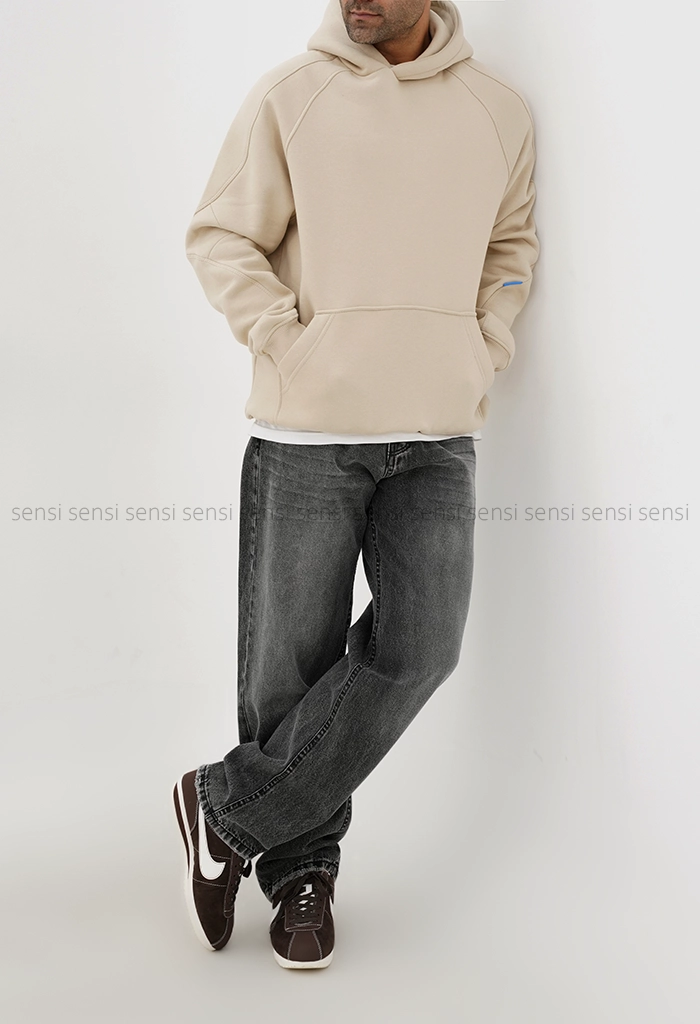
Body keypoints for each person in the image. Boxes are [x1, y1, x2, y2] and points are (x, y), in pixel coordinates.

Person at [173, 0, 539, 970]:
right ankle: (302, 873)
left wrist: (483, 344)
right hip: (308, 433)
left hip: (437, 433)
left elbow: (510, 249)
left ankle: (223, 809)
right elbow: (220, 236)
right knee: (288, 670)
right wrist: (290, 342)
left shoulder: (497, 110)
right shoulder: (291, 96)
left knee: (420, 647)